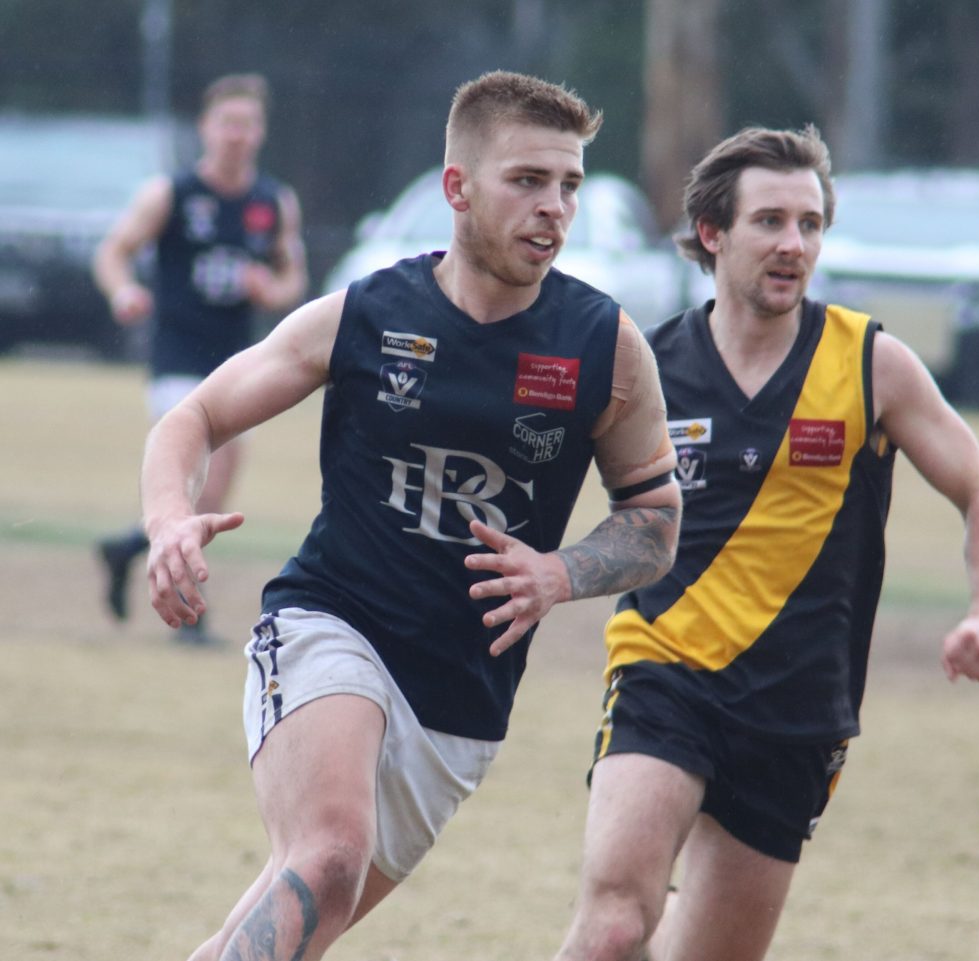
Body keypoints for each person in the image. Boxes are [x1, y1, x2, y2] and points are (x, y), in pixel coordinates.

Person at [139, 70, 681, 961]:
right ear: (457, 188)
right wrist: (168, 520)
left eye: (570, 185)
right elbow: (191, 418)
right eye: (528, 181)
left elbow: (656, 519)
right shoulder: (367, 313)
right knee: (331, 856)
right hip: (331, 621)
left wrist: (561, 572)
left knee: (297, 919)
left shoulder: (605, 345)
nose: (555, 208)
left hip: (461, 700)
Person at [553, 125, 979, 961]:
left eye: (809, 224)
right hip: (666, 673)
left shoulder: (873, 364)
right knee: (616, 924)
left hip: (798, 710)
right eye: (770, 221)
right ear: (712, 232)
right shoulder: (649, 367)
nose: (793, 244)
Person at [93, 72, 308, 644]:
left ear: (260, 132)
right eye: (228, 123)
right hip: (178, 357)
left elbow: (294, 279)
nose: (237, 135)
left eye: (248, 124)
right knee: (198, 486)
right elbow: (113, 251)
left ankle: (126, 549)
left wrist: (272, 287)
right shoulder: (171, 194)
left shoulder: (273, 202)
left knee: (212, 495)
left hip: (239, 364)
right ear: (206, 128)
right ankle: (191, 618)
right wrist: (123, 291)